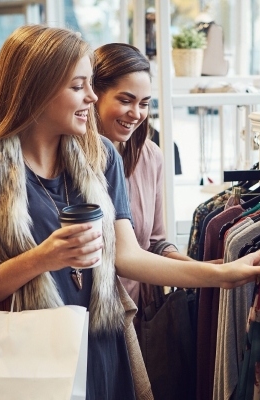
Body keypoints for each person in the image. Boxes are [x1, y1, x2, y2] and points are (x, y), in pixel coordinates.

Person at [0, 24, 260, 400]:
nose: (91, 96)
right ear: (35, 88)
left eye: (90, 83)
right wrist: (42, 258)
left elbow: (129, 256)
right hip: (29, 354)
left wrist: (223, 273)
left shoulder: (101, 158)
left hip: (103, 347)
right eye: (78, 86)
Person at [92, 42, 195, 331]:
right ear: (94, 95)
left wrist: (202, 268)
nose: (137, 113)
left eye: (145, 103)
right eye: (125, 100)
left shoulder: (151, 157)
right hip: (84, 315)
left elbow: (155, 242)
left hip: (134, 314)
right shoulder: (70, 160)